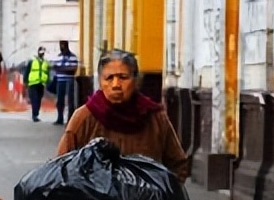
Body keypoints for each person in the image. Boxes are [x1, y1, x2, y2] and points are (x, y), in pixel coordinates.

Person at [57, 50, 190, 182]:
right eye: (109, 78)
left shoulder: (154, 117)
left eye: (123, 77)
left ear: (136, 80)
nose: (116, 85)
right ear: (100, 81)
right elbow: (61, 167)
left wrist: (165, 193)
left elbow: (178, 165)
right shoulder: (85, 117)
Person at [51, 40, 79, 125]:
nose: (62, 47)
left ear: (67, 46)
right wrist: (64, 69)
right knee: (60, 100)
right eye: (60, 46)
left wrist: (61, 69)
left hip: (69, 80)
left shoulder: (73, 57)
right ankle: (60, 118)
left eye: (63, 45)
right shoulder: (58, 57)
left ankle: (70, 119)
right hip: (60, 81)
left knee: (70, 100)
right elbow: (54, 68)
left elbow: (73, 69)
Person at [25, 46, 51, 122]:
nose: (42, 54)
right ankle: (34, 115)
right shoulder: (32, 61)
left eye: (43, 52)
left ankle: (36, 114)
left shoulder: (45, 62)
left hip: (41, 83)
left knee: (39, 99)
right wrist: (25, 82)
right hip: (33, 83)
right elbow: (27, 71)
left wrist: (47, 82)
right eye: (41, 52)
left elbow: (47, 72)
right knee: (34, 99)